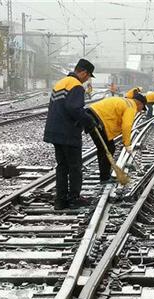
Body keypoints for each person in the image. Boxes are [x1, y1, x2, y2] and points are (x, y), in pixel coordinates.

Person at [43, 58, 96, 210]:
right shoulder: (76, 86)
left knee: (62, 167)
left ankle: (60, 200)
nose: (87, 79)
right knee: (74, 166)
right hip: (68, 132)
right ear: (83, 72)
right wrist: (89, 121)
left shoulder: (61, 83)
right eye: (88, 76)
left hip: (55, 131)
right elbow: (74, 109)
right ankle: (74, 197)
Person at [85, 93, 147, 183]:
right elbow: (127, 126)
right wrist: (127, 144)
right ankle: (105, 178)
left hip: (92, 115)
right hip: (96, 119)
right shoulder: (131, 107)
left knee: (106, 148)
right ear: (140, 104)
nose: (140, 111)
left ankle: (105, 176)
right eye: (142, 108)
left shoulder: (126, 102)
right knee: (108, 148)